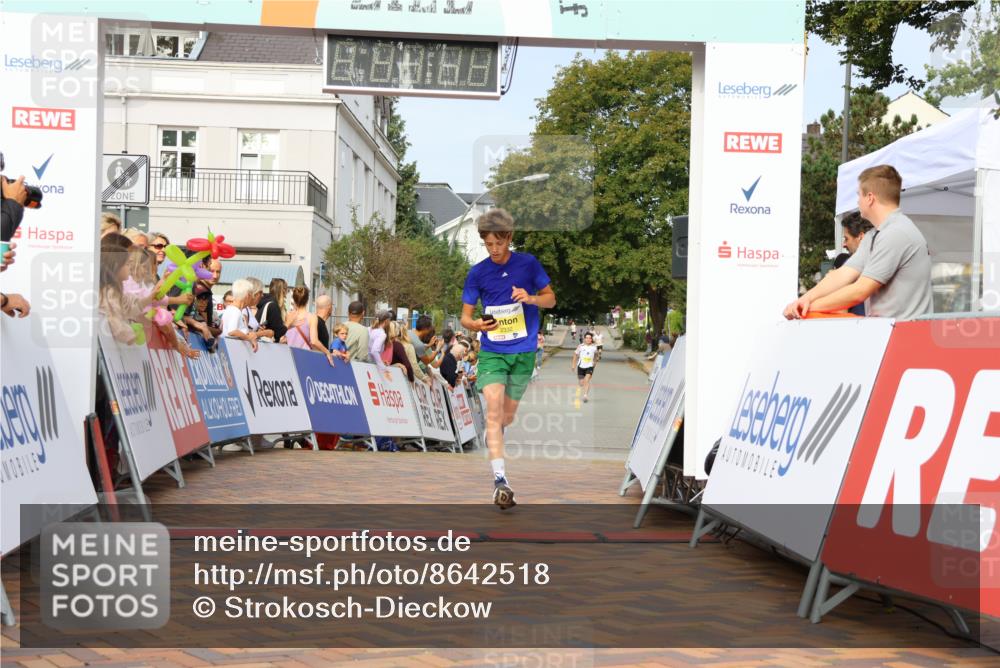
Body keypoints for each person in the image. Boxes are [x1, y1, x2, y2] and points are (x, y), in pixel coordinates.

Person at [459, 208, 556, 510]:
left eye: (499, 243)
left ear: (509, 238)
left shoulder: (528, 264)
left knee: (506, 418)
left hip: (524, 353)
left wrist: (530, 298)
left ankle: (496, 438)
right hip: (492, 352)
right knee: (493, 410)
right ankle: (500, 480)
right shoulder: (477, 273)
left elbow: (551, 299)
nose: (495, 250)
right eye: (489, 244)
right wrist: (476, 325)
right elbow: (465, 317)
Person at [784, 165, 932, 320]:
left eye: (858, 196)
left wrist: (808, 307)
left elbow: (861, 290)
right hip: (889, 331)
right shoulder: (876, 234)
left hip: (905, 335)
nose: (857, 202)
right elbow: (844, 274)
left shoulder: (895, 233)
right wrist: (805, 299)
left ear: (870, 198)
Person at [833, 211, 875, 316]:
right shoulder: (884, 258)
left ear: (861, 237)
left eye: (846, 239)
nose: (844, 244)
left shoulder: (850, 265)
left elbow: (840, 309)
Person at [283, 286, 335, 363]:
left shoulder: (289, 316)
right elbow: (314, 341)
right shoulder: (311, 317)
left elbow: (283, 337)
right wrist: (327, 352)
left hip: (289, 355)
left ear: (294, 299)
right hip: (304, 357)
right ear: (307, 300)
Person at [220, 278, 259, 352]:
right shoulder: (235, 311)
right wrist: (249, 338)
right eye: (252, 295)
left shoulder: (231, 310)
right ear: (247, 295)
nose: (252, 298)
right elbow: (232, 331)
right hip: (232, 351)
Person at [256, 278, 288, 343]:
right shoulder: (273, 306)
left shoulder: (265, 302)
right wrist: (288, 323)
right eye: (287, 290)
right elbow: (279, 332)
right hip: (267, 346)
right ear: (283, 291)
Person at [572, 331, 599, 403]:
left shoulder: (594, 347)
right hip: (580, 366)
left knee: (586, 380)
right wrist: (573, 365)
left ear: (591, 339)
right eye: (586, 338)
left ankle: (585, 395)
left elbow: (596, 355)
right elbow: (575, 355)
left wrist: (595, 362)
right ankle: (583, 386)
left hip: (589, 366)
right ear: (584, 339)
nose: (588, 339)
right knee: (581, 382)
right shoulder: (580, 346)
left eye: (589, 338)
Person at [368, 310, 394, 381]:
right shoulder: (382, 334)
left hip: (366, 363)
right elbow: (374, 351)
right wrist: (383, 368)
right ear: (386, 321)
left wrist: (381, 361)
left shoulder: (369, 329)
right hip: (371, 366)